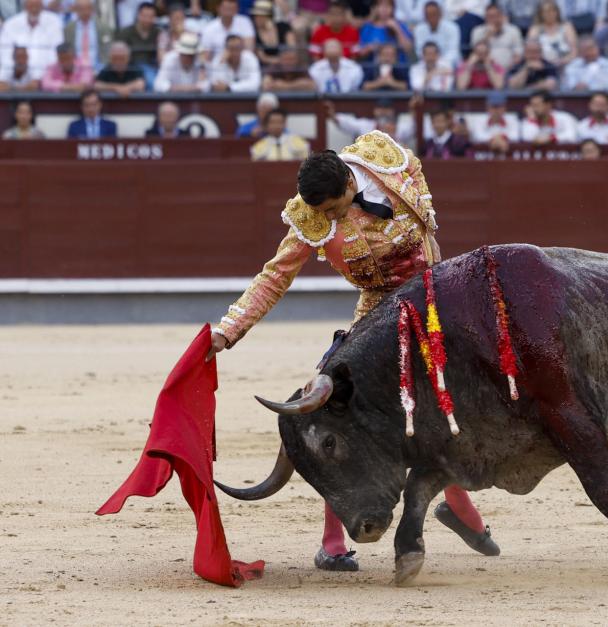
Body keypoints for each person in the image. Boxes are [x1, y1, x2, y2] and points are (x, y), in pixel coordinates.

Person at [207, 132, 501, 572]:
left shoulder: (386, 160)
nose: (327, 218)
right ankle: (332, 542)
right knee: (337, 416)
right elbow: (274, 277)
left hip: (433, 302)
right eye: (320, 213)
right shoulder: (309, 216)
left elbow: (427, 231)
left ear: (349, 182)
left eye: (332, 209)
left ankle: (457, 504)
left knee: (451, 406)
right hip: (376, 313)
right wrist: (228, 330)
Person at [0, 0, 63, 80]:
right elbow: (5, 53)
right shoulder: (11, 24)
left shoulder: (54, 22)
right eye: (31, 5)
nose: (34, 9)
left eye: (37, 6)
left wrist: (44, 76)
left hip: (44, 75)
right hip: (14, 74)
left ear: (42, 6)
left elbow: (55, 51)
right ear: (25, 6)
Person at [326, 96, 416, 144]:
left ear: (392, 111)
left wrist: (413, 110)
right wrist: (332, 115)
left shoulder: (400, 128)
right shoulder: (365, 125)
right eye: (380, 108)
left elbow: (414, 127)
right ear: (374, 111)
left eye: (386, 108)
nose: (383, 111)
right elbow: (347, 123)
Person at [116, 1, 159, 87]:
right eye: (144, 16)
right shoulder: (125, 32)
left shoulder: (158, 32)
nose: (147, 20)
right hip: (130, 68)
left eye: (150, 17)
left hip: (153, 67)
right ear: (138, 15)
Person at [470, 4, 523, 69]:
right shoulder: (477, 31)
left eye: (496, 16)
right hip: (484, 69)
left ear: (501, 16)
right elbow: (476, 52)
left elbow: (518, 53)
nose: (493, 19)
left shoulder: (513, 30)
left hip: (508, 69)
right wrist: (487, 36)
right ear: (485, 18)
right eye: (490, 16)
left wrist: (511, 68)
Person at [64, 0, 114, 70]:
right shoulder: (69, 29)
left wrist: (103, 68)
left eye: (88, 8)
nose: (85, 12)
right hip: (76, 70)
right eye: (81, 9)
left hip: (99, 68)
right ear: (76, 10)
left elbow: (107, 50)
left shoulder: (103, 27)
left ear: (92, 9)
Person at [526, 0, 577, 67]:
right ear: (541, 14)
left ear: (557, 12)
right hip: (543, 65)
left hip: (566, 63)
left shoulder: (567, 26)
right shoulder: (535, 29)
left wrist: (563, 61)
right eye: (546, 12)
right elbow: (530, 50)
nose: (550, 14)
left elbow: (574, 50)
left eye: (552, 11)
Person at [414, 1, 461, 66]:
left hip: (449, 64)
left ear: (440, 14)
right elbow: (419, 52)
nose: (431, 18)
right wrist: (431, 61)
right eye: (428, 15)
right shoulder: (419, 29)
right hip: (427, 64)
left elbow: (453, 52)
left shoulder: (452, 28)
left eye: (434, 14)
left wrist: (439, 63)